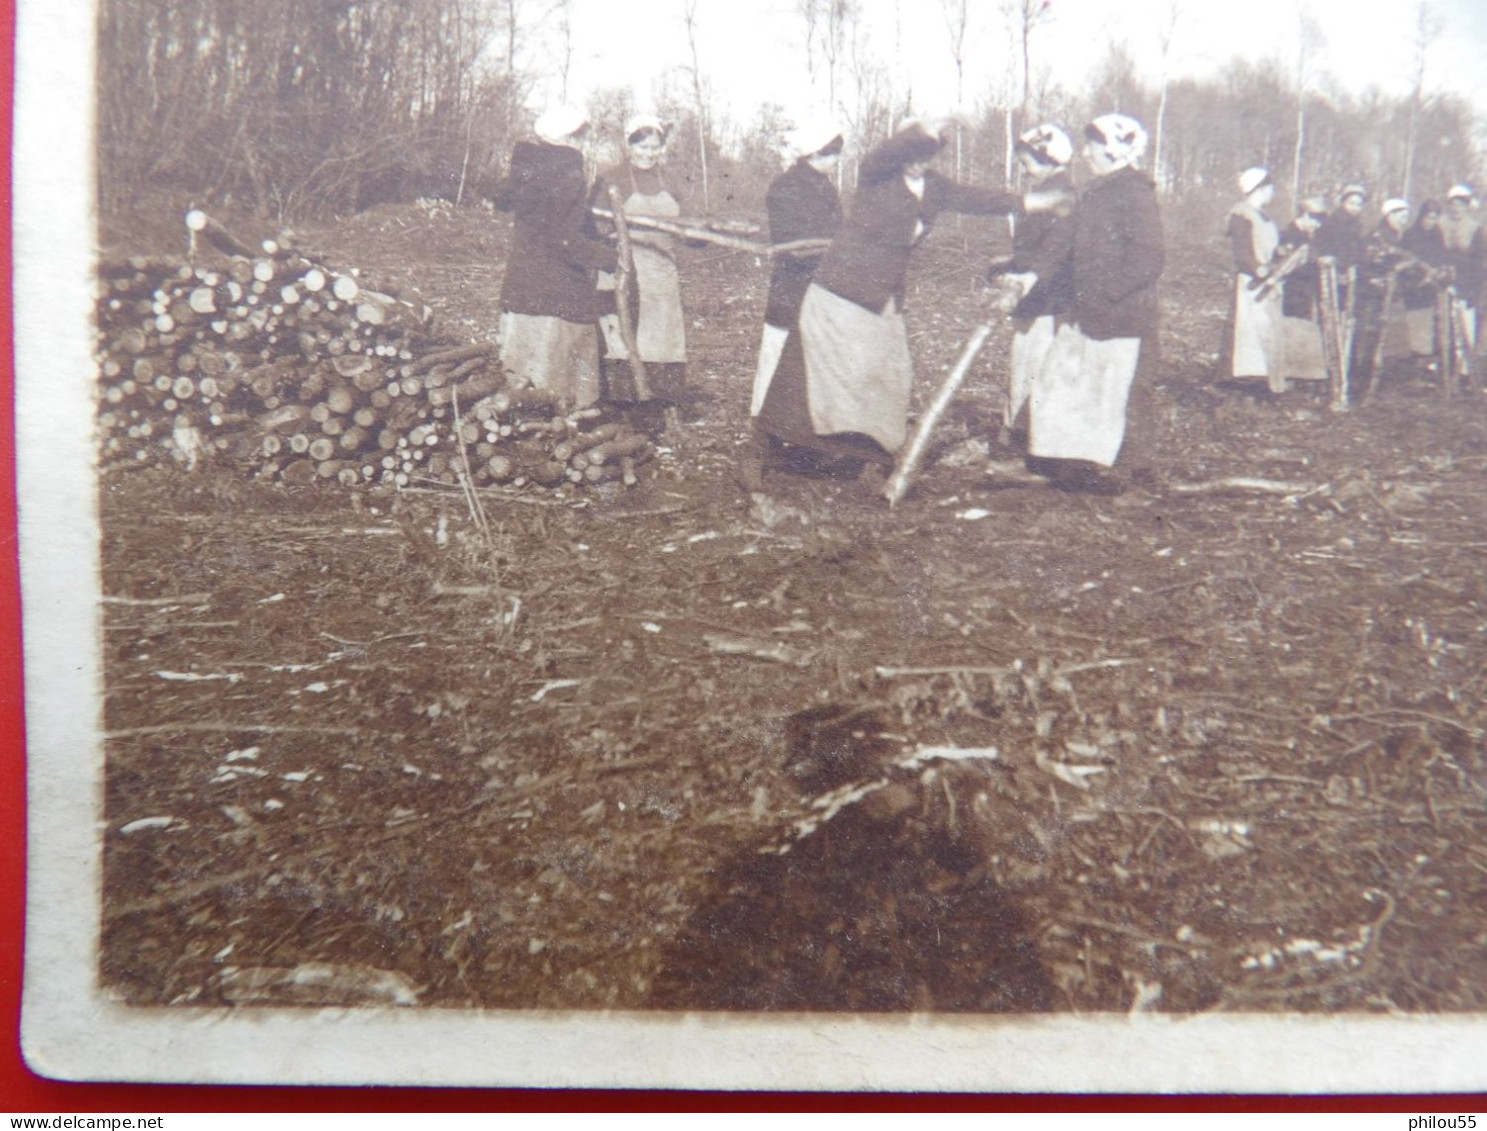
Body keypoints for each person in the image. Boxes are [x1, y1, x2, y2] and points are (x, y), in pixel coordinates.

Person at [754, 117, 1054, 484]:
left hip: (883, 296)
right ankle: (777, 452)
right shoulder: (877, 175)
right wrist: (920, 132)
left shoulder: (934, 187)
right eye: (911, 153)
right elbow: (885, 152)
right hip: (842, 289)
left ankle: (859, 454)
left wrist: (1031, 201)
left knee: (889, 374)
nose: (917, 162)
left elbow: (976, 198)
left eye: (926, 154)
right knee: (821, 376)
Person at [1019, 113, 1165, 494]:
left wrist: (1109, 292)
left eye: (1093, 145)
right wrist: (1033, 276)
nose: (1085, 153)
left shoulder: (1136, 193)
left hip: (1124, 315)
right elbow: (1061, 242)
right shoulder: (1091, 193)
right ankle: (1073, 462)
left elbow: (1149, 258)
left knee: (1124, 392)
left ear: (1116, 148)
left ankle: (1134, 476)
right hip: (1086, 309)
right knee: (1063, 381)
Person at [742, 119, 845, 488]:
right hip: (793, 289)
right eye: (830, 152)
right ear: (813, 152)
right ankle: (757, 449)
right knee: (774, 367)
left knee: (814, 368)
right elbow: (793, 244)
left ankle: (808, 447)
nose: (835, 159)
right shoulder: (785, 187)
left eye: (836, 152)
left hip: (823, 291)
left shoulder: (825, 187)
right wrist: (834, 248)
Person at [493, 106, 616, 408]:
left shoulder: (527, 171)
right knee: (559, 384)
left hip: (522, 289)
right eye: (582, 136)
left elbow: (547, 225)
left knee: (521, 378)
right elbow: (564, 240)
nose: (585, 143)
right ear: (568, 139)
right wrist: (605, 257)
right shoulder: (569, 176)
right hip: (558, 293)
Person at [592, 115, 691, 433]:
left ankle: (660, 413)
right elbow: (595, 226)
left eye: (655, 146)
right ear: (629, 144)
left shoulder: (671, 180)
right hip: (623, 274)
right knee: (624, 340)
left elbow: (688, 225)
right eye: (643, 146)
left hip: (661, 275)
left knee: (662, 342)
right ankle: (623, 418)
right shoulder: (612, 179)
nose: (649, 153)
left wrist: (696, 233)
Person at [987, 123, 1076, 436]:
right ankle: (1021, 431)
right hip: (1035, 294)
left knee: (1031, 367)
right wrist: (1010, 264)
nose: (1024, 171)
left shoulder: (1062, 195)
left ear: (1047, 158)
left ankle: (1022, 436)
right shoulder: (1044, 192)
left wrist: (1026, 275)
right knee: (1025, 365)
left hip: (1046, 299)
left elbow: (1055, 249)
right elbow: (1038, 248)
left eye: (1027, 163)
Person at [1224, 167, 1285, 392]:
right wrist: (1258, 269)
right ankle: (1246, 386)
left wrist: (1279, 253)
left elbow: (1266, 245)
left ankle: (1266, 382)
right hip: (1251, 284)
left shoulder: (1264, 216)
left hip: (1268, 281)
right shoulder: (1241, 215)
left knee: (1267, 332)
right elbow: (1242, 253)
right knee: (1249, 335)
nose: (1273, 191)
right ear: (1259, 189)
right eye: (1269, 187)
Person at [1352, 197, 1414, 386]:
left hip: (1385, 294)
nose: (1404, 220)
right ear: (1389, 215)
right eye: (1401, 216)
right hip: (1372, 296)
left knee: (1380, 338)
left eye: (1406, 217)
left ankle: (1372, 380)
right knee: (1368, 338)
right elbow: (1371, 264)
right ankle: (1361, 380)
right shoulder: (1379, 236)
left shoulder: (1394, 236)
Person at [1276, 197, 1330, 384]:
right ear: (1304, 214)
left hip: (1305, 295)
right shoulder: (1286, 235)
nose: (1317, 225)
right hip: (1288, 294)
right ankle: (1287, 374)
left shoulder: (1311, 238)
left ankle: (1298, 374)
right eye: (1315, 220)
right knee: (1288, 330)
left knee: (1302, 332)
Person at [1399, 200, 1449, 362]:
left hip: (1431, 287)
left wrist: (1436, 272)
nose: (1430, 222)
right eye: (1428, 218)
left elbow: (1442, 256)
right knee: (1414, 323)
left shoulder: (1437, 234)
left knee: (1430, 324)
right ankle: (1415, 358)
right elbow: (1403, 259)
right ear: (1421, 217)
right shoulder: (1410, 234)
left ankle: (1427, 360)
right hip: (1413, 287)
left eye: (1434, 218)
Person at [1440, 184, 1481, 346]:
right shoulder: (1441, 223)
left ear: (1467, 206)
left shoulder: (1473, 227)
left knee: (1465, 319)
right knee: (1445, 320)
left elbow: (1478, 260)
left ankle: (1465, 363)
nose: (1457, 209)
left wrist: (1473, 285)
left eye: (1461, 205)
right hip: (1444, 277)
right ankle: (1444, 360)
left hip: (1466, 280)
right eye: (1454, 204)